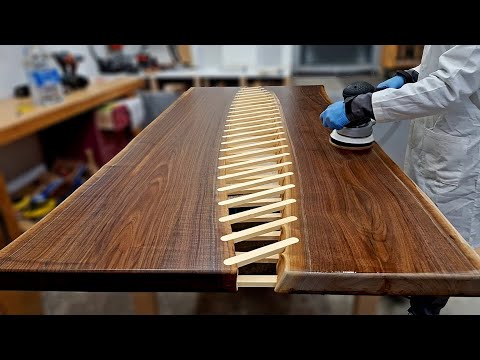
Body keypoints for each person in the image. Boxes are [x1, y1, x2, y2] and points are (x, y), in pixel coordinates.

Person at [320, 45, 480, 315]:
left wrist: (364, 106)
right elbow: (444, 64)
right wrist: (409, 76)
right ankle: (411, 283)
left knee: (444, 243)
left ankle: (425, 307)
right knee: (419, 222)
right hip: (437, 139)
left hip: (459, 150)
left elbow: (448, 85)